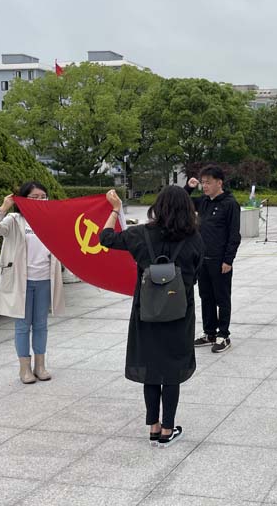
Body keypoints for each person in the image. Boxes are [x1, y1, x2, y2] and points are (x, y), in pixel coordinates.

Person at [100, 187, 204, 446]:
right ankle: (168, 429)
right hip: (179, 312)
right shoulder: (194, 238)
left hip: (146, 311)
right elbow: (196, 272)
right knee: (171, 369)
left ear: (158, 206)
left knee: (151, 368)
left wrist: (115, 209)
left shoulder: (140, 234)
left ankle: (153, 427)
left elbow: (106, 238)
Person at [0, 181, 65, 384]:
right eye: (34, 197)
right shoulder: (14, 220)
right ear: (24, 199)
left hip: (45, 279)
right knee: (23, 326)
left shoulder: (51, 219)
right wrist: (3, 208)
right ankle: (24, 368)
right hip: (21, 281)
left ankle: (40, 366)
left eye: (43, 196)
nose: (39, 200)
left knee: (41, 325)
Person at [185, 165, 241, 353]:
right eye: (203, 182)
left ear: (219, 183)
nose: (205, 186)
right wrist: (189, 187)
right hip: (203, 260)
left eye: (208, 182)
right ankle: (209, 332)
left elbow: (234, 235)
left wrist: (228, 260)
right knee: (206, 296)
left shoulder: (230, 204)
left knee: (222, 298)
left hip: (220, 261)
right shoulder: (203, 202)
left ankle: (223, 335)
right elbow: (181, 202)